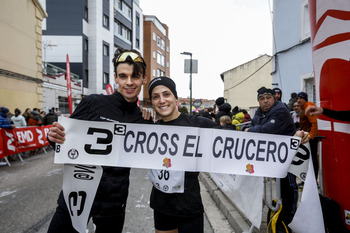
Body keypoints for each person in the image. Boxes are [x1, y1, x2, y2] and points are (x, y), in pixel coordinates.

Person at [47, 48, 152, 233]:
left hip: (113, 201)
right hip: (77, 194)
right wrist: (54, 137)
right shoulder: (93, 102)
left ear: (144, 78)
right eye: (123, 76)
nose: (129, 82)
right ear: (115, 78)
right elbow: (63, 141)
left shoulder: (143, 119)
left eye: (135, 76)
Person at [147, 76, 226, 233]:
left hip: (188, 206)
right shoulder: (149, 130)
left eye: (166, 94)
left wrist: (246, 132)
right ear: (152, 102)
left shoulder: (196, 124)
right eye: (156, 97)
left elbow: (230, 140)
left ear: (175, 98)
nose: (162, 100)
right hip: (161, 205)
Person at [243, 87, 298, 231]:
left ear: (275, 98)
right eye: (262, 99)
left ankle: (289, 219)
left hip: (288, 156)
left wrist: (250, 130)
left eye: (268, 98)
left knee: (289, 187)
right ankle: (280, 214)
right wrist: (253, 129)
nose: (265, 101)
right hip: (273, 157)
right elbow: (256, 126)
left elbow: (267, 130)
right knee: (281, 187)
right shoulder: (259, 112)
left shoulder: (280, 110)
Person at [297, 92, 319, 180]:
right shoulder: (303, 108)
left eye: (300, 98)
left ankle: (313, 180)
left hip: (311, 139)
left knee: (312, 160)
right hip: (307, 138)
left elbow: (315, 123)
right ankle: (307, 180)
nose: (298, 100)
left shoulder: (308, 107)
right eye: (297, 99)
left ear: (305, 99)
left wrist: (311, 136)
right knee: (307, 160)